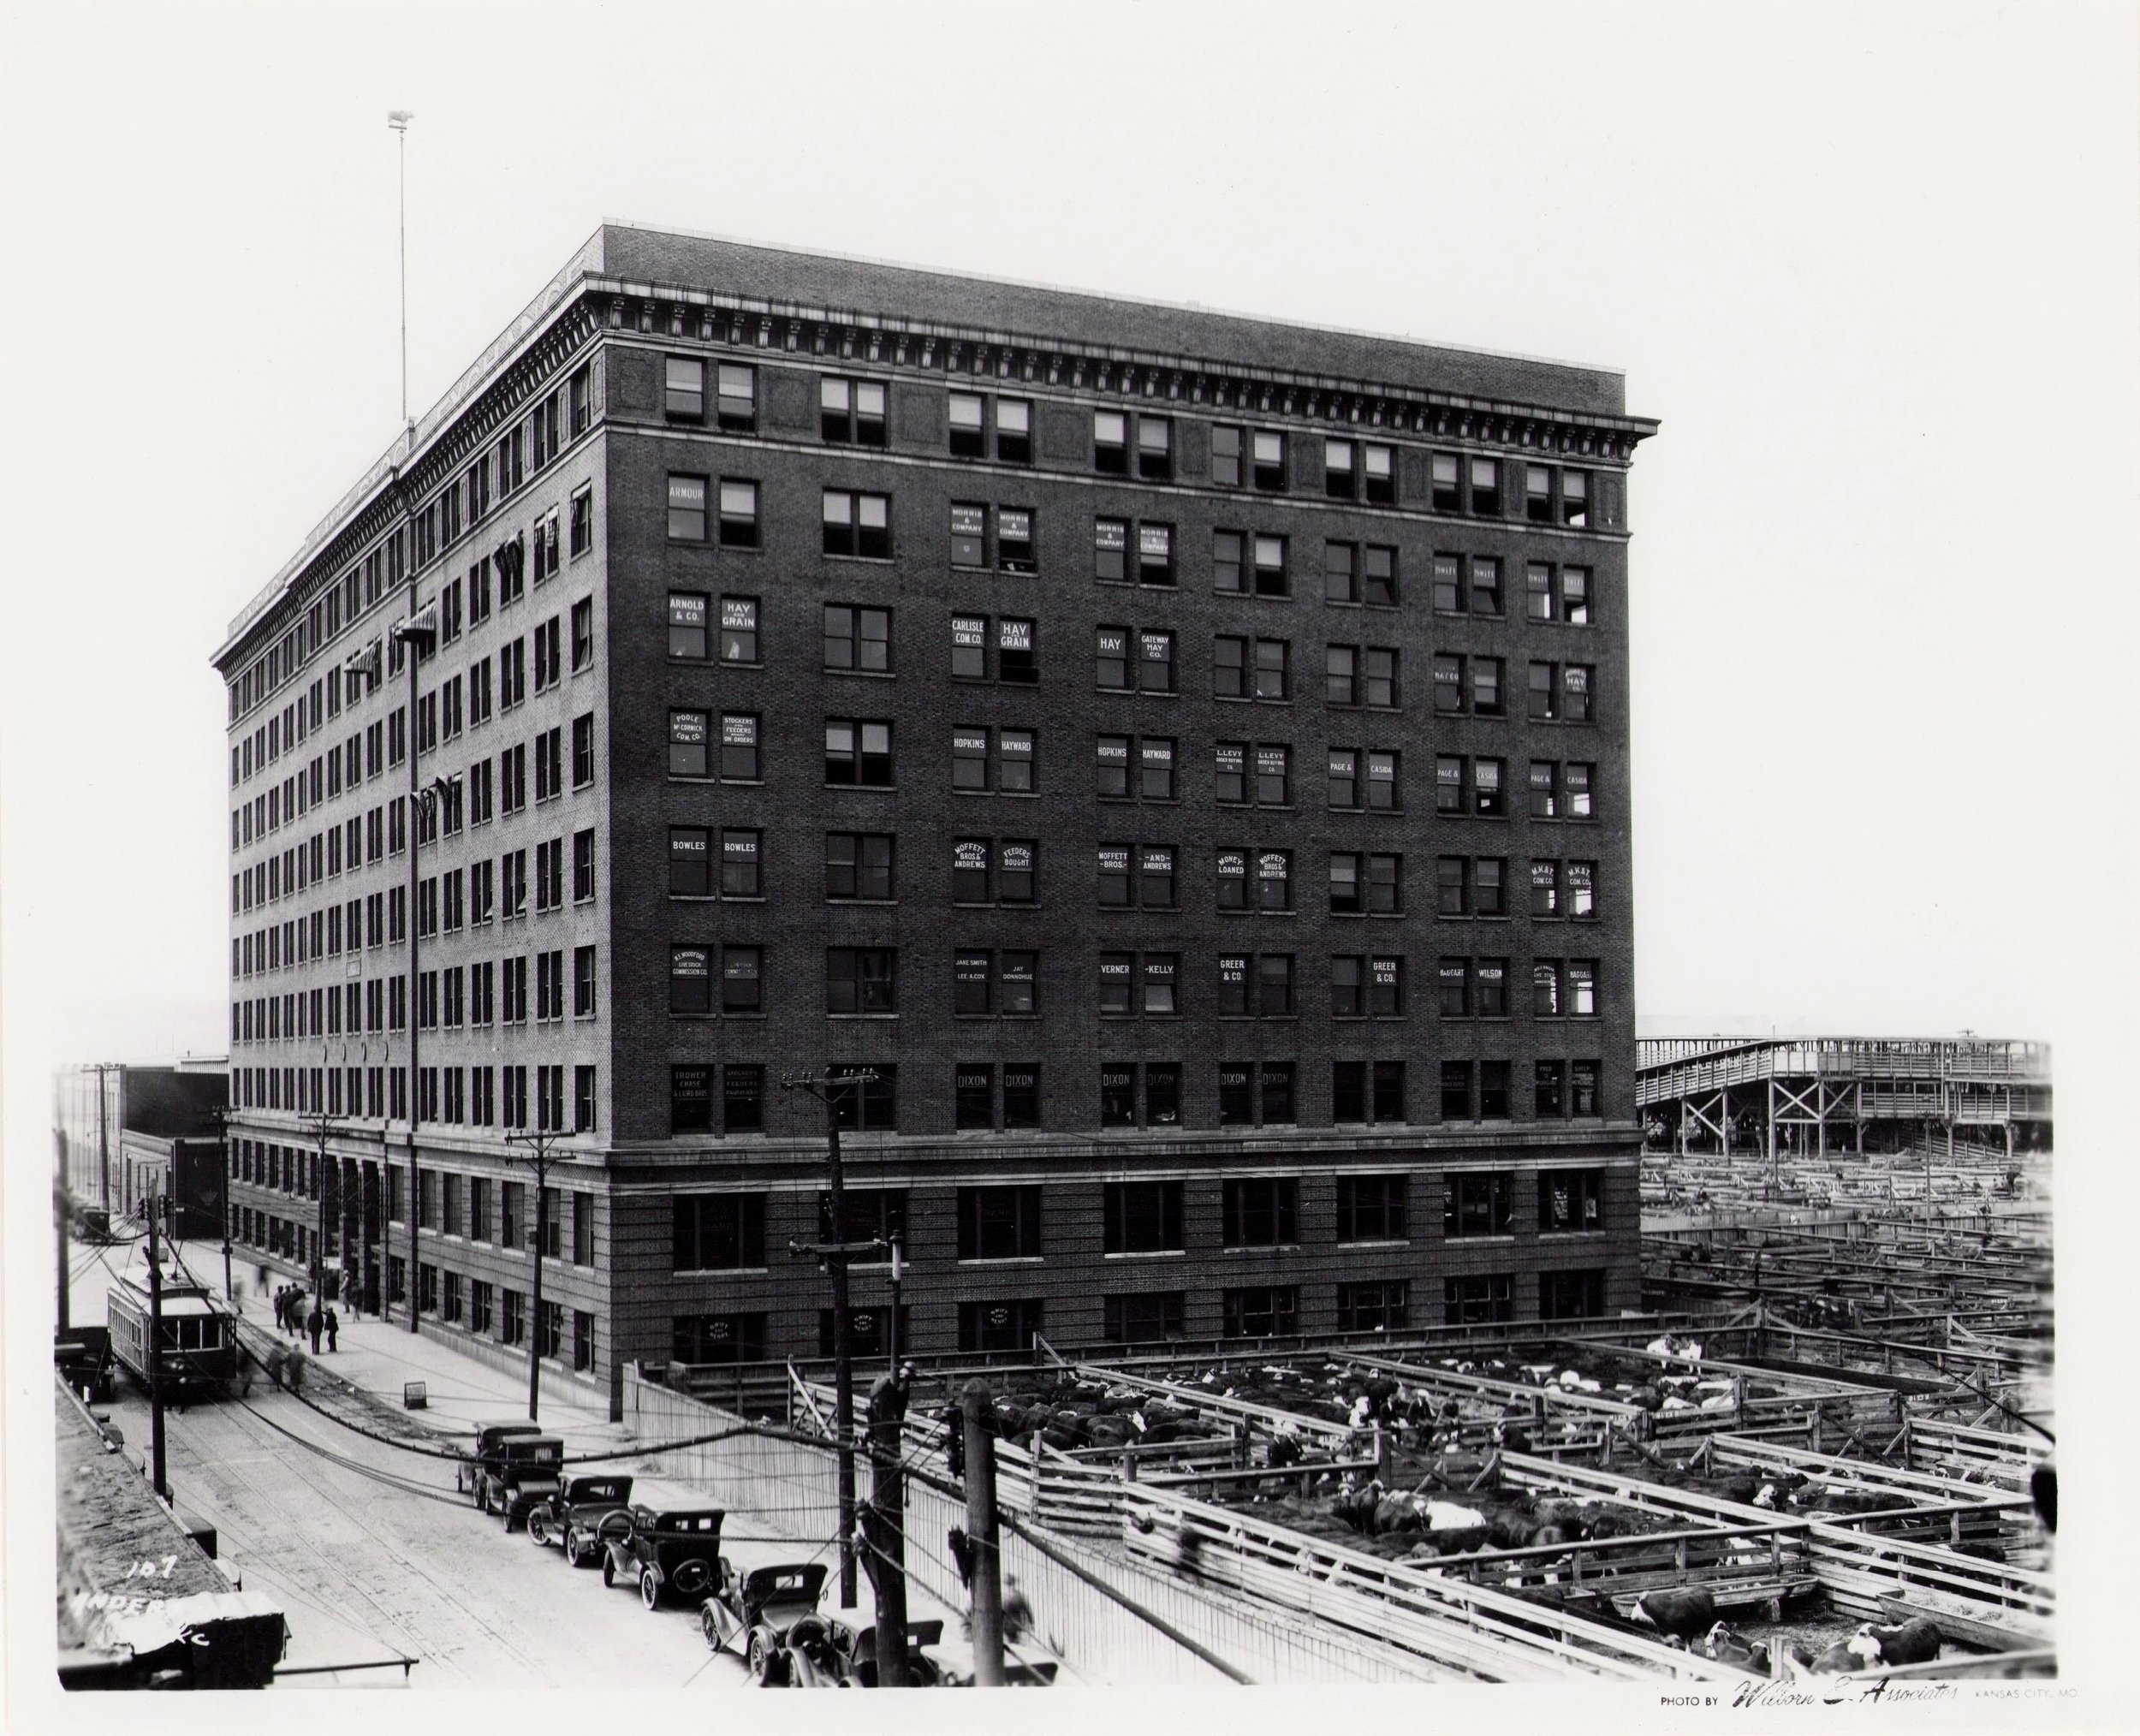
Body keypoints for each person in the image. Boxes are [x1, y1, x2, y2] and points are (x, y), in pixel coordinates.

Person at [1001, 1574, 1033, 1644]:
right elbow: (1028, 1610)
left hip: (1004, 1625)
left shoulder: (1002, 1596)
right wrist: (1032, 1622)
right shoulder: (1020, 1595)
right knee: (1014, 1643)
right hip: (1016, 1624)